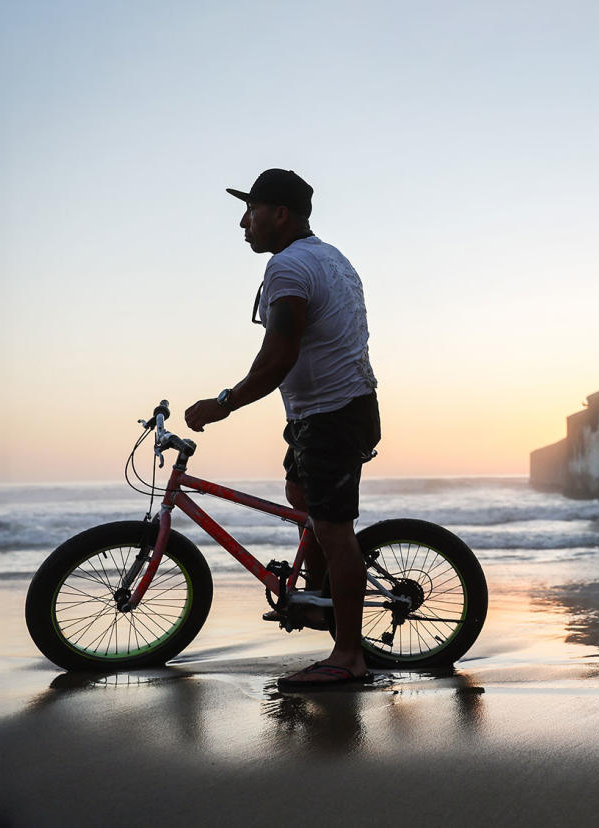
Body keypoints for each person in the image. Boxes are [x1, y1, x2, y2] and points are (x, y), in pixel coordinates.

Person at [184, 169, 380, 690]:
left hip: (331, 415)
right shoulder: (331, 257)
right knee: (301, 498)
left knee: (334, 532)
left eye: (251, 211)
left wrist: (223, 403)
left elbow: (277, 359)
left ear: (279, 214)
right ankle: (320, 599)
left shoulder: (289, 268)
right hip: (332, 410)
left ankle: (349, 655)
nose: (242, 222)